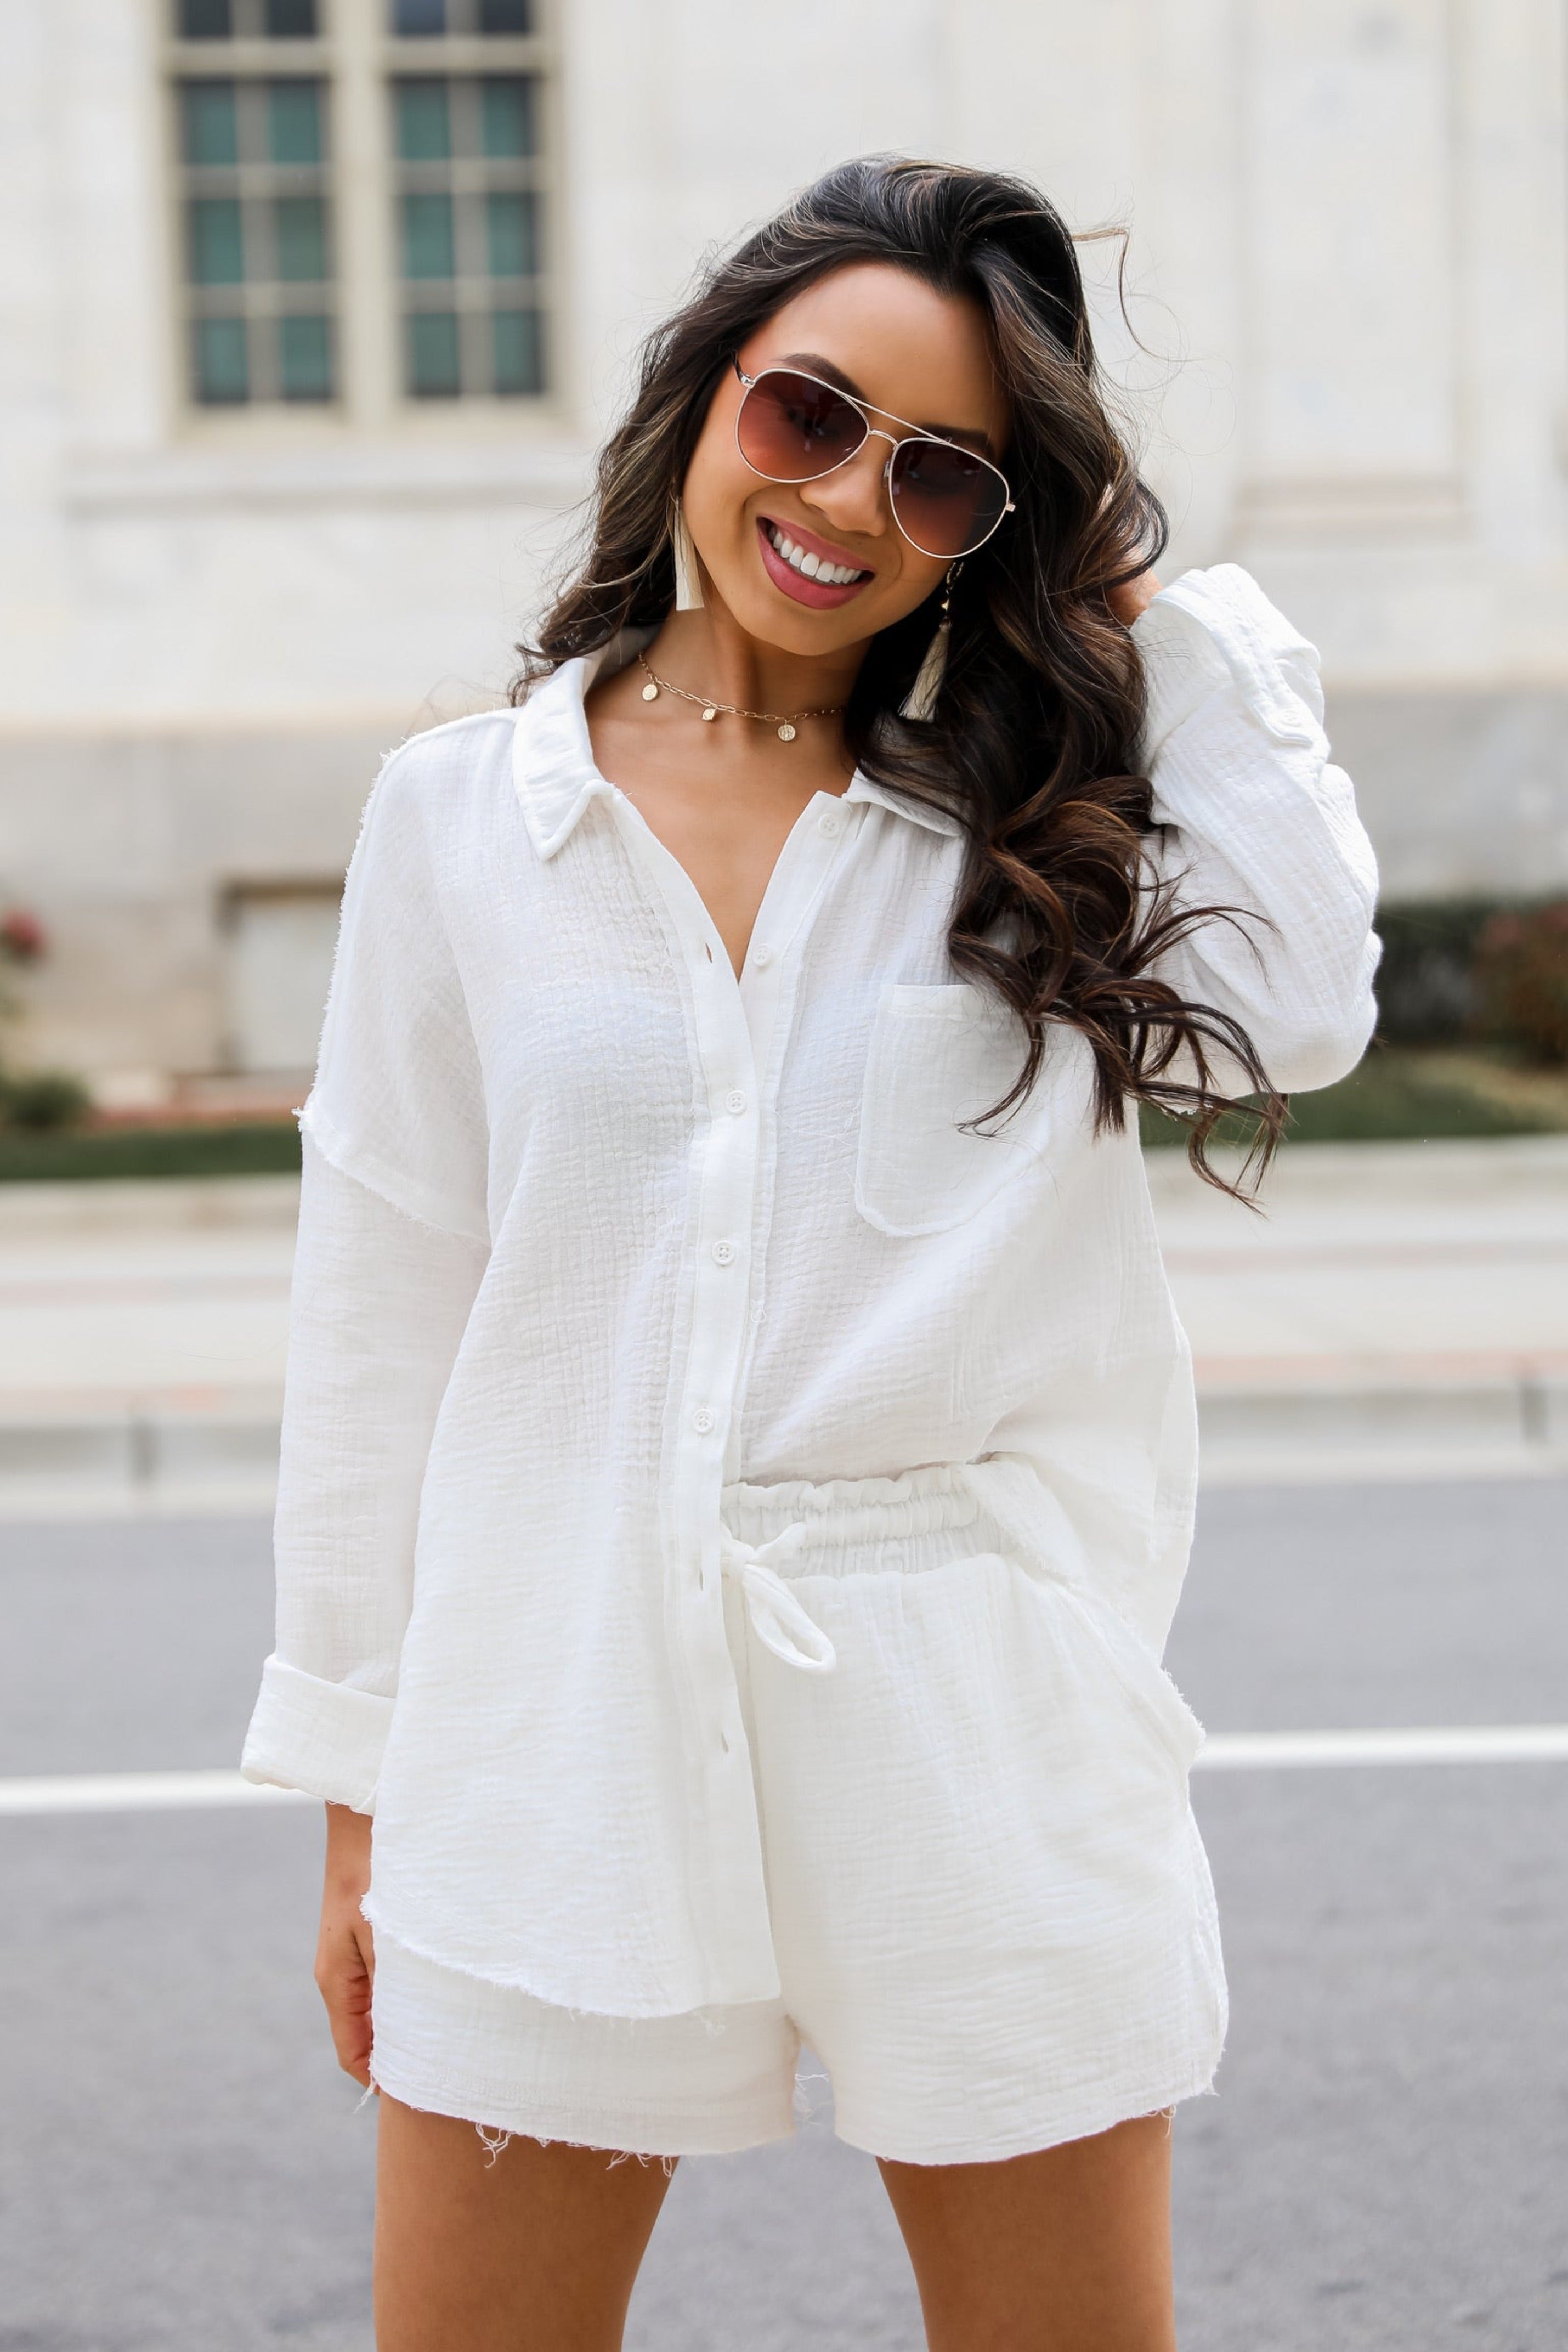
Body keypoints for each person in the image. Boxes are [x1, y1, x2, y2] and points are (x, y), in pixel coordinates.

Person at [241, 157, 1379, 2351]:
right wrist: (357, 1796)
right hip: (546, 1717)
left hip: (969, 1716)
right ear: (703, 393)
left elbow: (1309, 1001)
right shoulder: (463, 819)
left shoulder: (1022, 826)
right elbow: (385, 1312)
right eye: (807, 413)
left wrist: (1154, 601)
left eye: (945, 476)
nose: (849, 498)